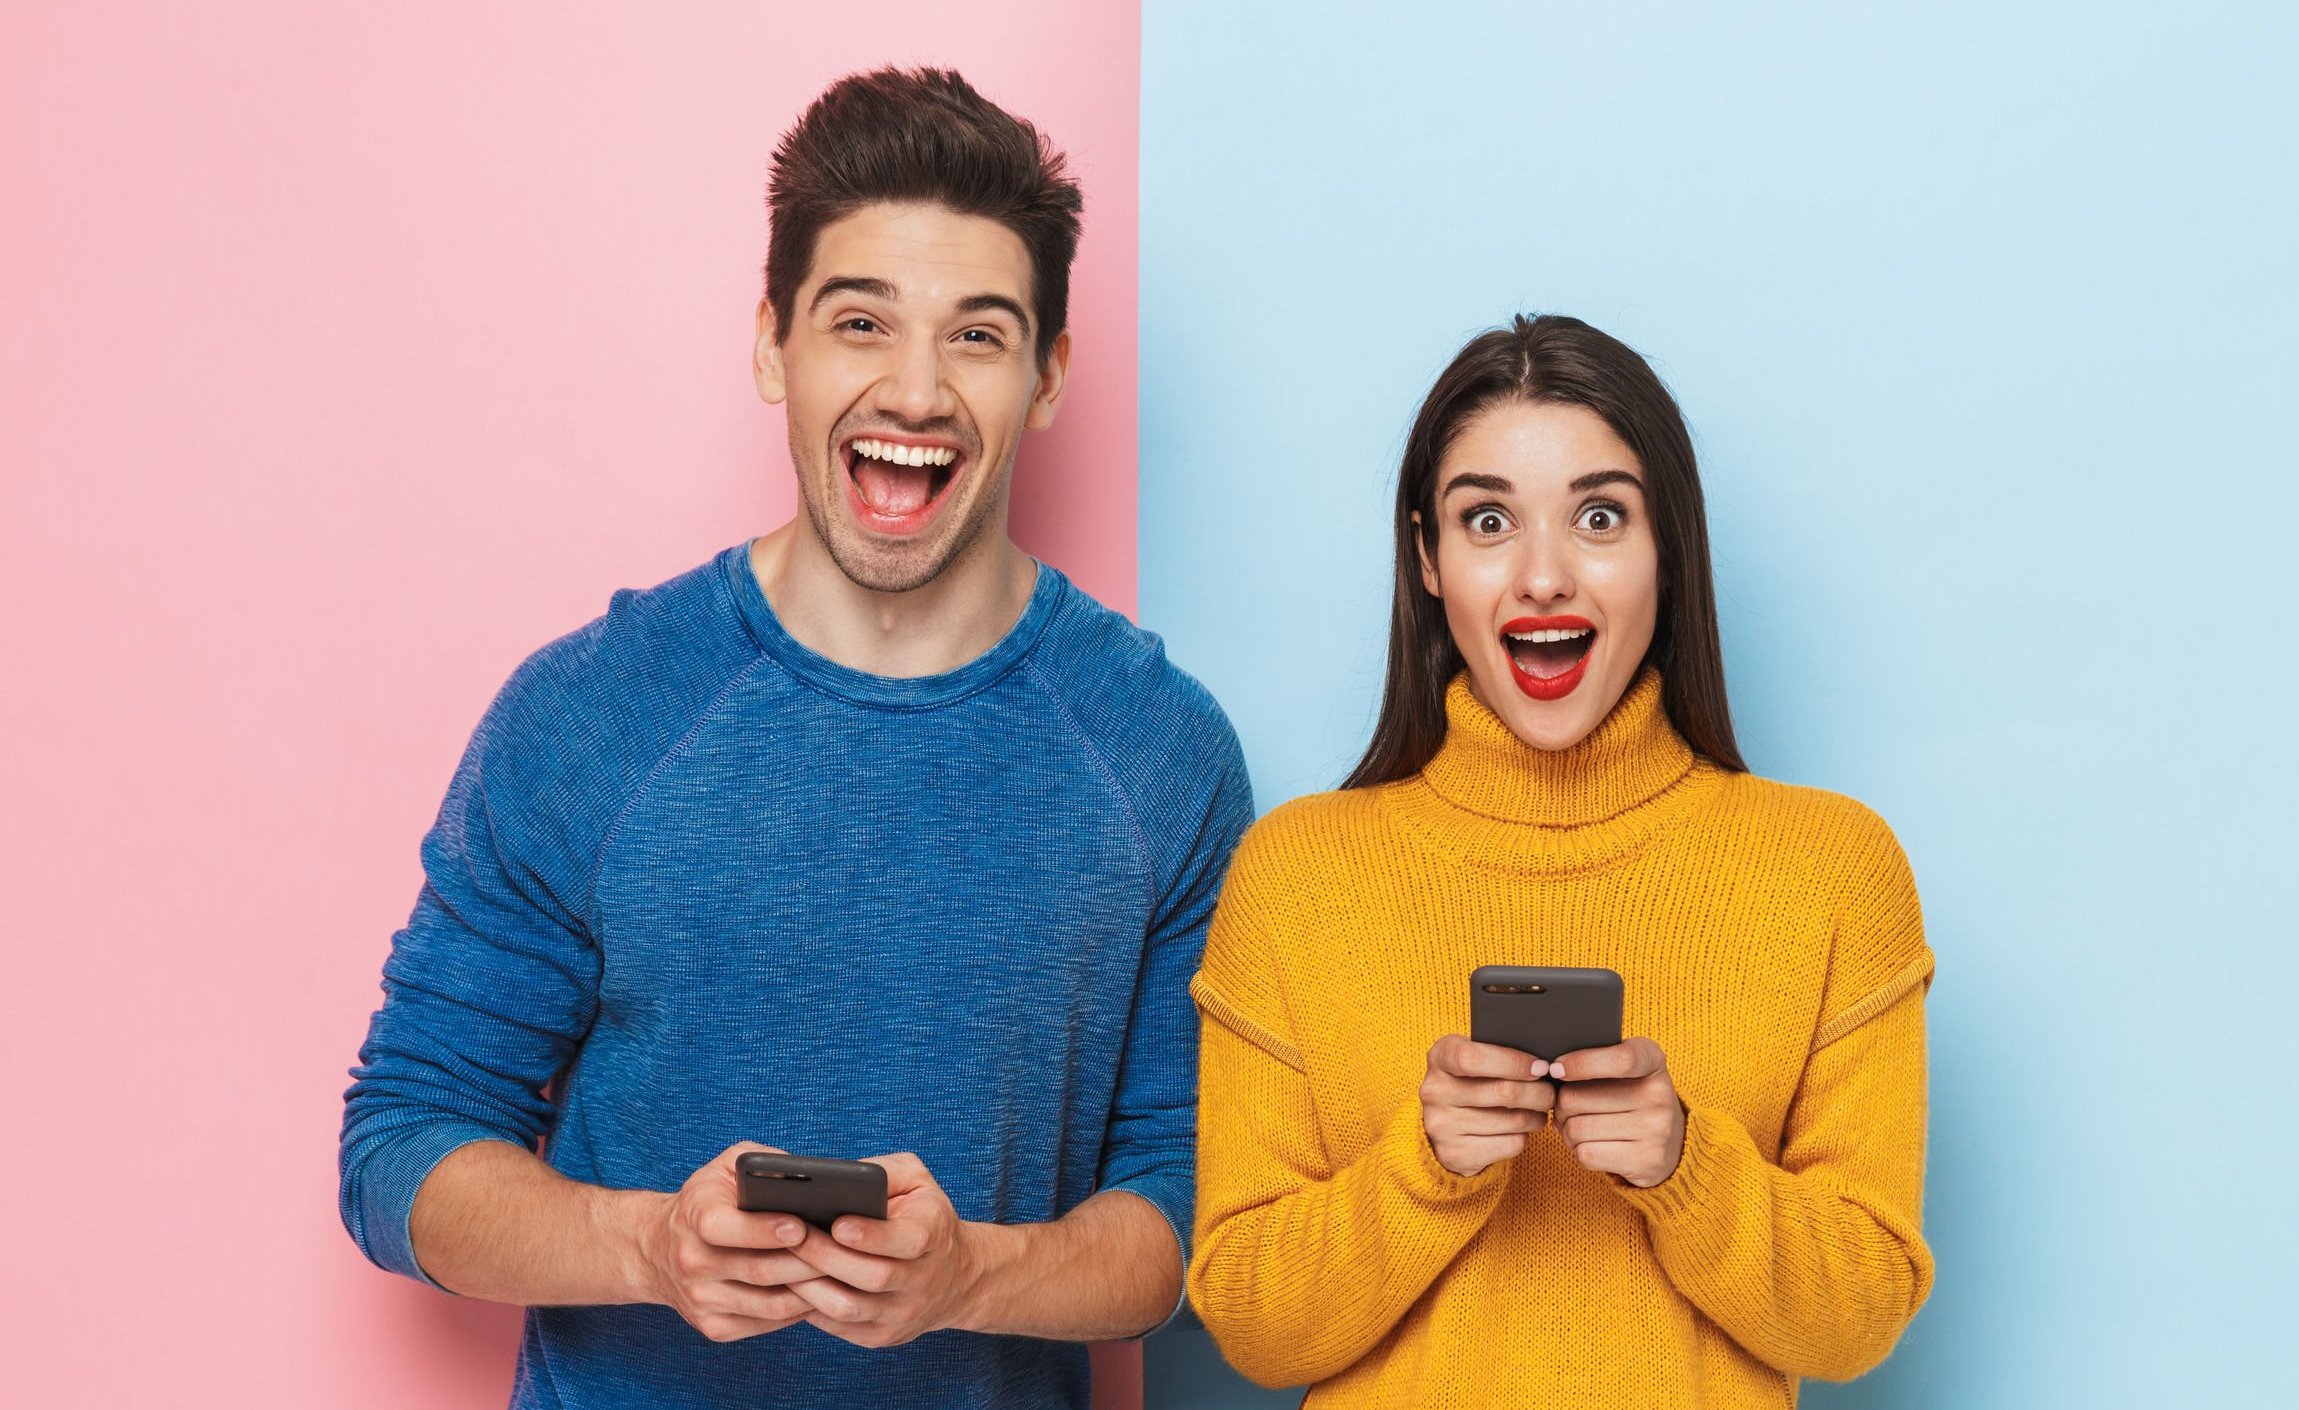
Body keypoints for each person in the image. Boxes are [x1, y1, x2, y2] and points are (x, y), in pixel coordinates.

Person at [338, 67, 1251, 1410]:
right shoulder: (592, 712)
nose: (918, 389)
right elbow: (401, 1144)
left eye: (980, 336)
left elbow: (1181, 1215)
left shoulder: (1159, 750)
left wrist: (969, 1277)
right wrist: (644, 1243)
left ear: (1049, 376)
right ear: (774, 343)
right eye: (860, 320)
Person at [1186, 315, 1933, 1406]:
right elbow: (1250, 1324)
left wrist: (1687, 1167)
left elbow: (1861, 1315)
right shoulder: (1296, 877)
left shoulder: (1830, 869)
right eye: (1488, 519)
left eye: (1598, 516)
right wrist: (1422, 1171)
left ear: (1668, 549)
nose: (1543, 576)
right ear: (1428, 559)